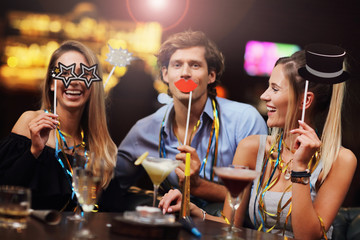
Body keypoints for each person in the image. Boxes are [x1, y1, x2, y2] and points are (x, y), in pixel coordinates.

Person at [159, 44, 357, 239]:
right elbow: (230, 225)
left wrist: (300, 168)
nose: (264, 96)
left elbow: (308, 237)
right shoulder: (252, 148)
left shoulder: (341, 160)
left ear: (305, 101)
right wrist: (190, 209)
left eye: (275, 89)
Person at [110, 30, 267, 214]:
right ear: (165, 74)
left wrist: (199, 186)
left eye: (195, 65)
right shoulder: (145, 129)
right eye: (177, 65)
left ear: (211, 75)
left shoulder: (244, 120)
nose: (185, 73)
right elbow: (111, 185)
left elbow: (261, 199)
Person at [0, 40, 117, 211]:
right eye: (65, 72)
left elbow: (111, 210)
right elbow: (5, 191)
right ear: (51, 83)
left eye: (82, 74)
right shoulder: (29, 122)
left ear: (93, 85)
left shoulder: (101, 147)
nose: (74, 81)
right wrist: (34, 151)